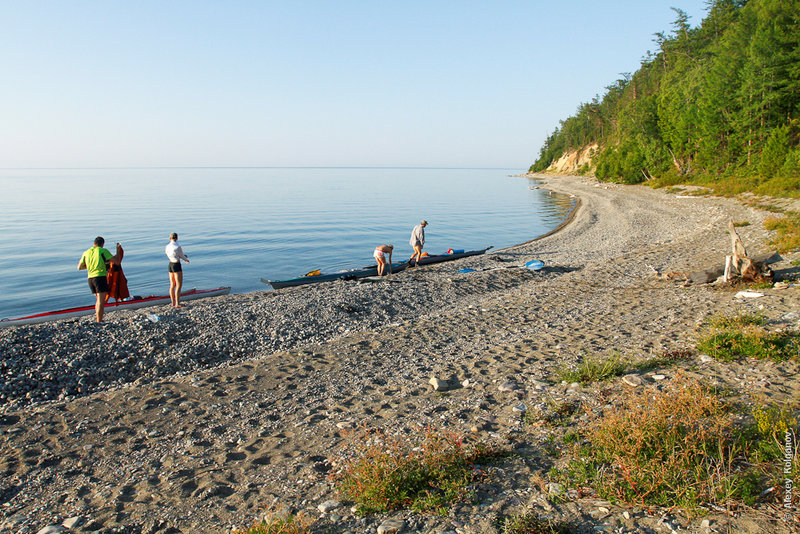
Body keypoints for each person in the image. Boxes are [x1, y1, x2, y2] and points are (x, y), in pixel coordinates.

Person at [77, 236, 119, 323]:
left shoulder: (86, 252)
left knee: (98, 300)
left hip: (90, 279)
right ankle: (99, 321)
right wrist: (118, 250)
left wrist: (90, 265)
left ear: (94, 243)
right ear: (102, 244)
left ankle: (98, 319)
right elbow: (116, 261)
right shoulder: (103, 251)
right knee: (101, 301)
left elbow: (79, 267)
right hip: (100, 277)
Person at [165, 233, 190, 308]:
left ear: (170, 238)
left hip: (170, 264)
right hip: (176, 265)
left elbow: (170, 254)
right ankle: (177, 303)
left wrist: (180, 256)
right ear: (177, 238)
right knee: (178, 285)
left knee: (172, 285)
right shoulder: (177, 246)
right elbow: (181, 255)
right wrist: (186, 260)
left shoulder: (167, 246)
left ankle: (172, 302)